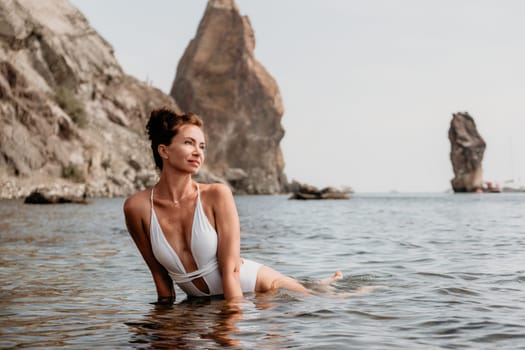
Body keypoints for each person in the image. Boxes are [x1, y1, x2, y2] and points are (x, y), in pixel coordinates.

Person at [124, 107, 341, 304]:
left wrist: (232, 329)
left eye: (202, 146)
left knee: (329, 302)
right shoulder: (137, 208)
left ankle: (325, 286)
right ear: (164, 151)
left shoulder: (217, 195)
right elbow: (159, 276)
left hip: (264, 290)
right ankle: (322, 284)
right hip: (208, 302)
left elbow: (231, 273)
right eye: (189, 143)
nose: (198, 152)